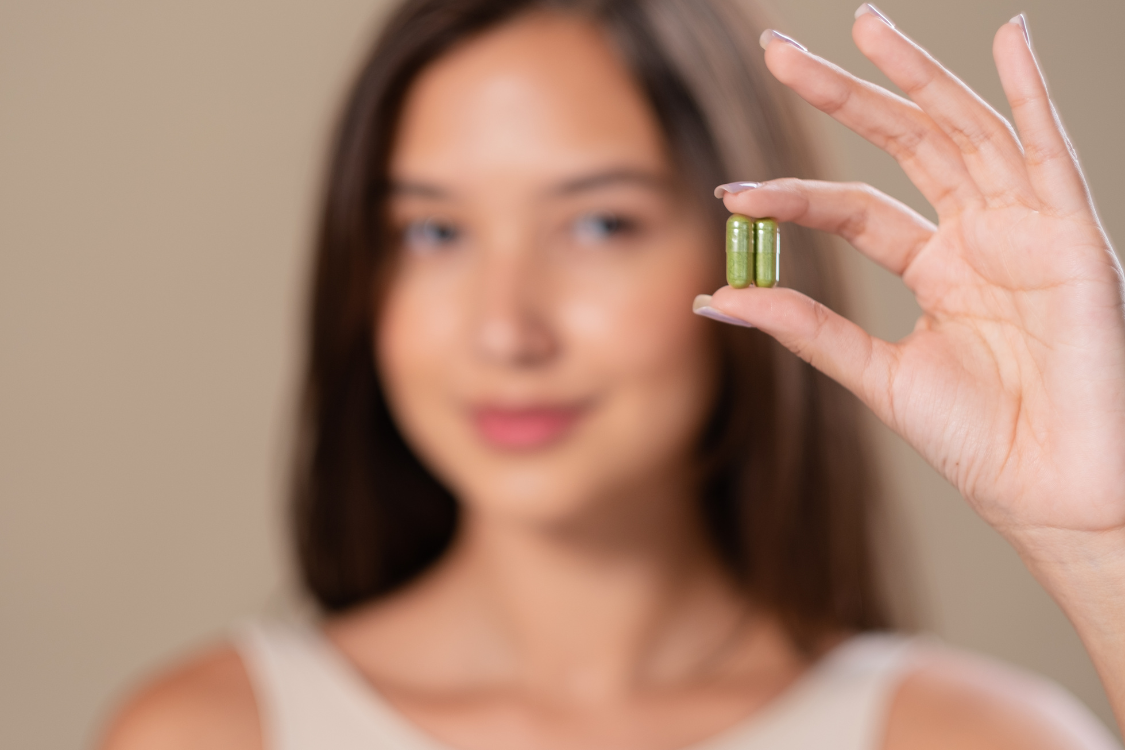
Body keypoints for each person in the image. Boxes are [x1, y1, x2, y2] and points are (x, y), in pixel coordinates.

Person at [99, 0, 1125, 748]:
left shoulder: (978, 739)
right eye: (434, 232)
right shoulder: (201, 733)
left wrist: (1101, 548)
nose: (507, 331)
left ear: (744, 249)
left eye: (598, 225)